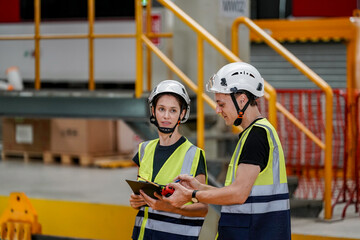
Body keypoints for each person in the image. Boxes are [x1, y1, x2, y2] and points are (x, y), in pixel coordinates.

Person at [164, 62, 291, 240]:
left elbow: (238, 194)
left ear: (242, 100)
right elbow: (238, 190)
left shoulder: (257, 136)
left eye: (221, 104)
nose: (217, 110)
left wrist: (191, 195)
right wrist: (199, 187)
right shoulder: (255, 133)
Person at [129, 80, 208, 240]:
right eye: (161, 109)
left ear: (182, 113)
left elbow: (202, 208)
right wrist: (136, 201)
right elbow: (143, 197)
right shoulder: (144, 150)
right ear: (153, 111)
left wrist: (171, 208)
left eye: (173, 110)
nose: (166, 116)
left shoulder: (194, 155)